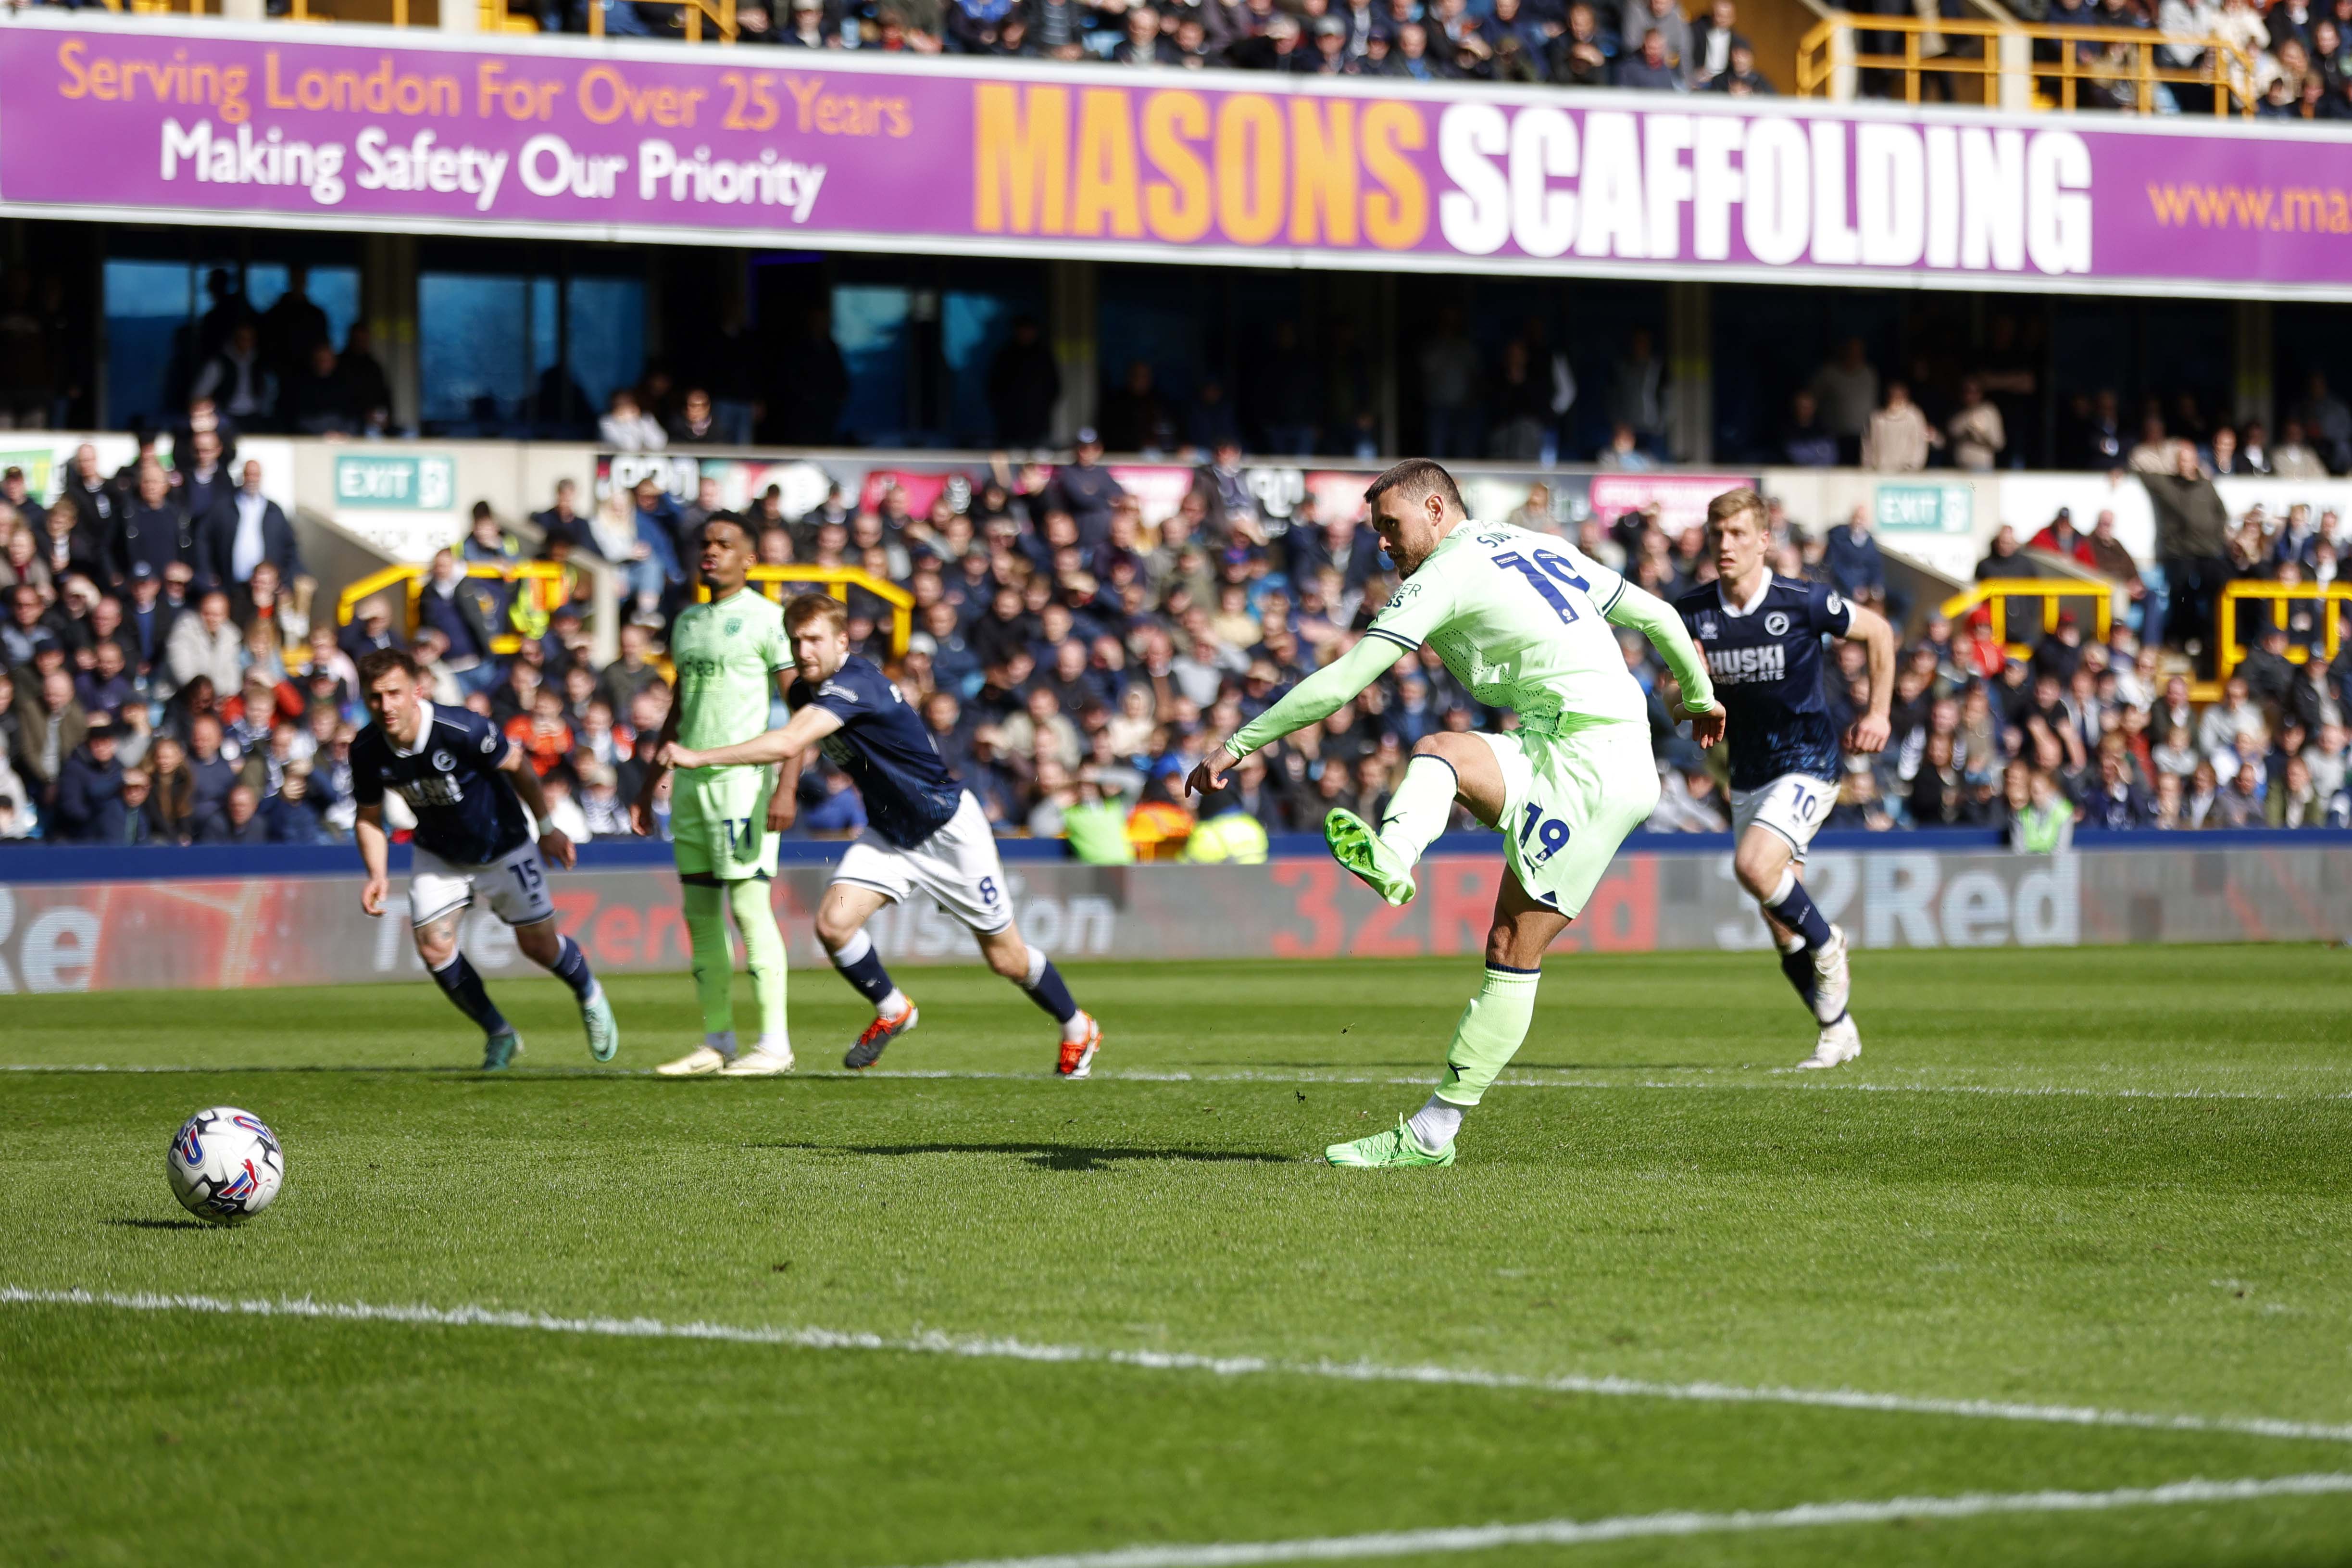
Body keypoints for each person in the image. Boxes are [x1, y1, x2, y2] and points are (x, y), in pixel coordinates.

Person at [1187, 459, 1719, 1168]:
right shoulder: (1531, 542)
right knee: (1458, 803)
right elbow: (1656, 614)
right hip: (1568, 745)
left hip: (1590, 764)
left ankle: (1432, 1120)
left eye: (1391, 525)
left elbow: (1345, 681)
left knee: (1514, 948)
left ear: (1435, 509)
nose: (1383, 544)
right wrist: (1699, 693)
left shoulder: (1446, 571)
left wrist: (1237, 744)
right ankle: (1396, 868)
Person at [658, 593, 1104, 1078]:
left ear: (841, 641)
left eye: (814, 640)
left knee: (1007, 959)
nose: (803, 650)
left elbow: (788, 742)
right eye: (796, 641)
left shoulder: (855, 686)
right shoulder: (808, 693)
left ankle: (1078, 1026)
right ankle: (894, 1008)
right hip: (891, 832)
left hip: (948, 831)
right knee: (833, 925)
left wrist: (699, 757)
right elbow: (795, 738)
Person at [1673, 489, 1894, 1069]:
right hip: (1748, 771)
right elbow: (1668, 695)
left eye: (1739, 534)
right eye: (1717, 534)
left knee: (1752, 867)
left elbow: (1878, 633)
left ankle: (1828, 944)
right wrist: (1690, 695)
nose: (1726, 545)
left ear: (1764, 541)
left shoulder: (1803, 601)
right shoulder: (1691, 611)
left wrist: (1877, 712)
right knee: (1777, 921)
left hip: (1807, 761)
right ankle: (1836, 1028)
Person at [350, 649, 618, 1070]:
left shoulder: (461, 728)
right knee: (435, 948)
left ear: (416, 690)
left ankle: (589, 993)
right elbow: (367, 817)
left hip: (503, 846)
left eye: (394, 693)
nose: (386, 706)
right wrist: (377, 874)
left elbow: (520, 767)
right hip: (439, 853)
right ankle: (499, 1032)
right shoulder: (366, 750)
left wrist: (547, 829)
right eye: (374, 697)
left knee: (539, 946)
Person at [628, 517, 801, 1078]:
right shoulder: (687, 623)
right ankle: (718, 1040)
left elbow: (803, 712)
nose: (711, 553)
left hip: (743, 787)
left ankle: (774, 1043)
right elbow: (680, 709)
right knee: (700, 914)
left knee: (750, 908)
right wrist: (645, 781)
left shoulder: (768, 619)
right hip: (690, 786)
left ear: (749, 559)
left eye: (725, 545)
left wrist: (787, 783)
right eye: (705, 544)